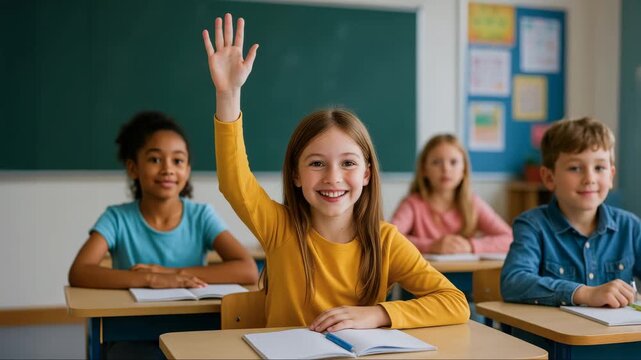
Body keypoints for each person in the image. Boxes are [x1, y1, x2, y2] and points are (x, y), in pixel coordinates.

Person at [202, 13, 469, 332]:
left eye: (348, 163)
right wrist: (228, 95)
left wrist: (378, 314)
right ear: (296, 176)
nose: (333, 177)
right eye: (316, 163)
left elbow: (455, 302)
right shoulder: (279, 228)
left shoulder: (385, 241)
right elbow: (234, 181)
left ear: (367, 174)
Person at [68, 111, 258, 289]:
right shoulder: (117, 218)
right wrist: (151, 279)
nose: (168, 169)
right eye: (155, 160)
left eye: (178, 161)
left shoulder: (201, 216)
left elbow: (249, 270)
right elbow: (79, 271)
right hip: (131, 319)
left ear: (188, 170)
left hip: (192, 320)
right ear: (133, 168)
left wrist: (171, 273)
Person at [501, 117, 641, 307]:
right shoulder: (532, 225)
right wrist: (584, 294)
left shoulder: (630, 226)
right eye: (575, 168)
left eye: (599, 167)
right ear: (549, 178)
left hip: (617, 336)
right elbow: (514, 282)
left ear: (611, 176)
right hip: (552, 336)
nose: (589, 178)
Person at [391, 134, 512, 254]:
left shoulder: (473, 204)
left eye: (453, 162)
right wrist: (431, 246)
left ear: (464, 170)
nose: (446, 169)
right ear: (424, 170)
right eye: (436, 162)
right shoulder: (412, 204)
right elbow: (390, 238)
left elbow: (509, 239)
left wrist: (471, 246)